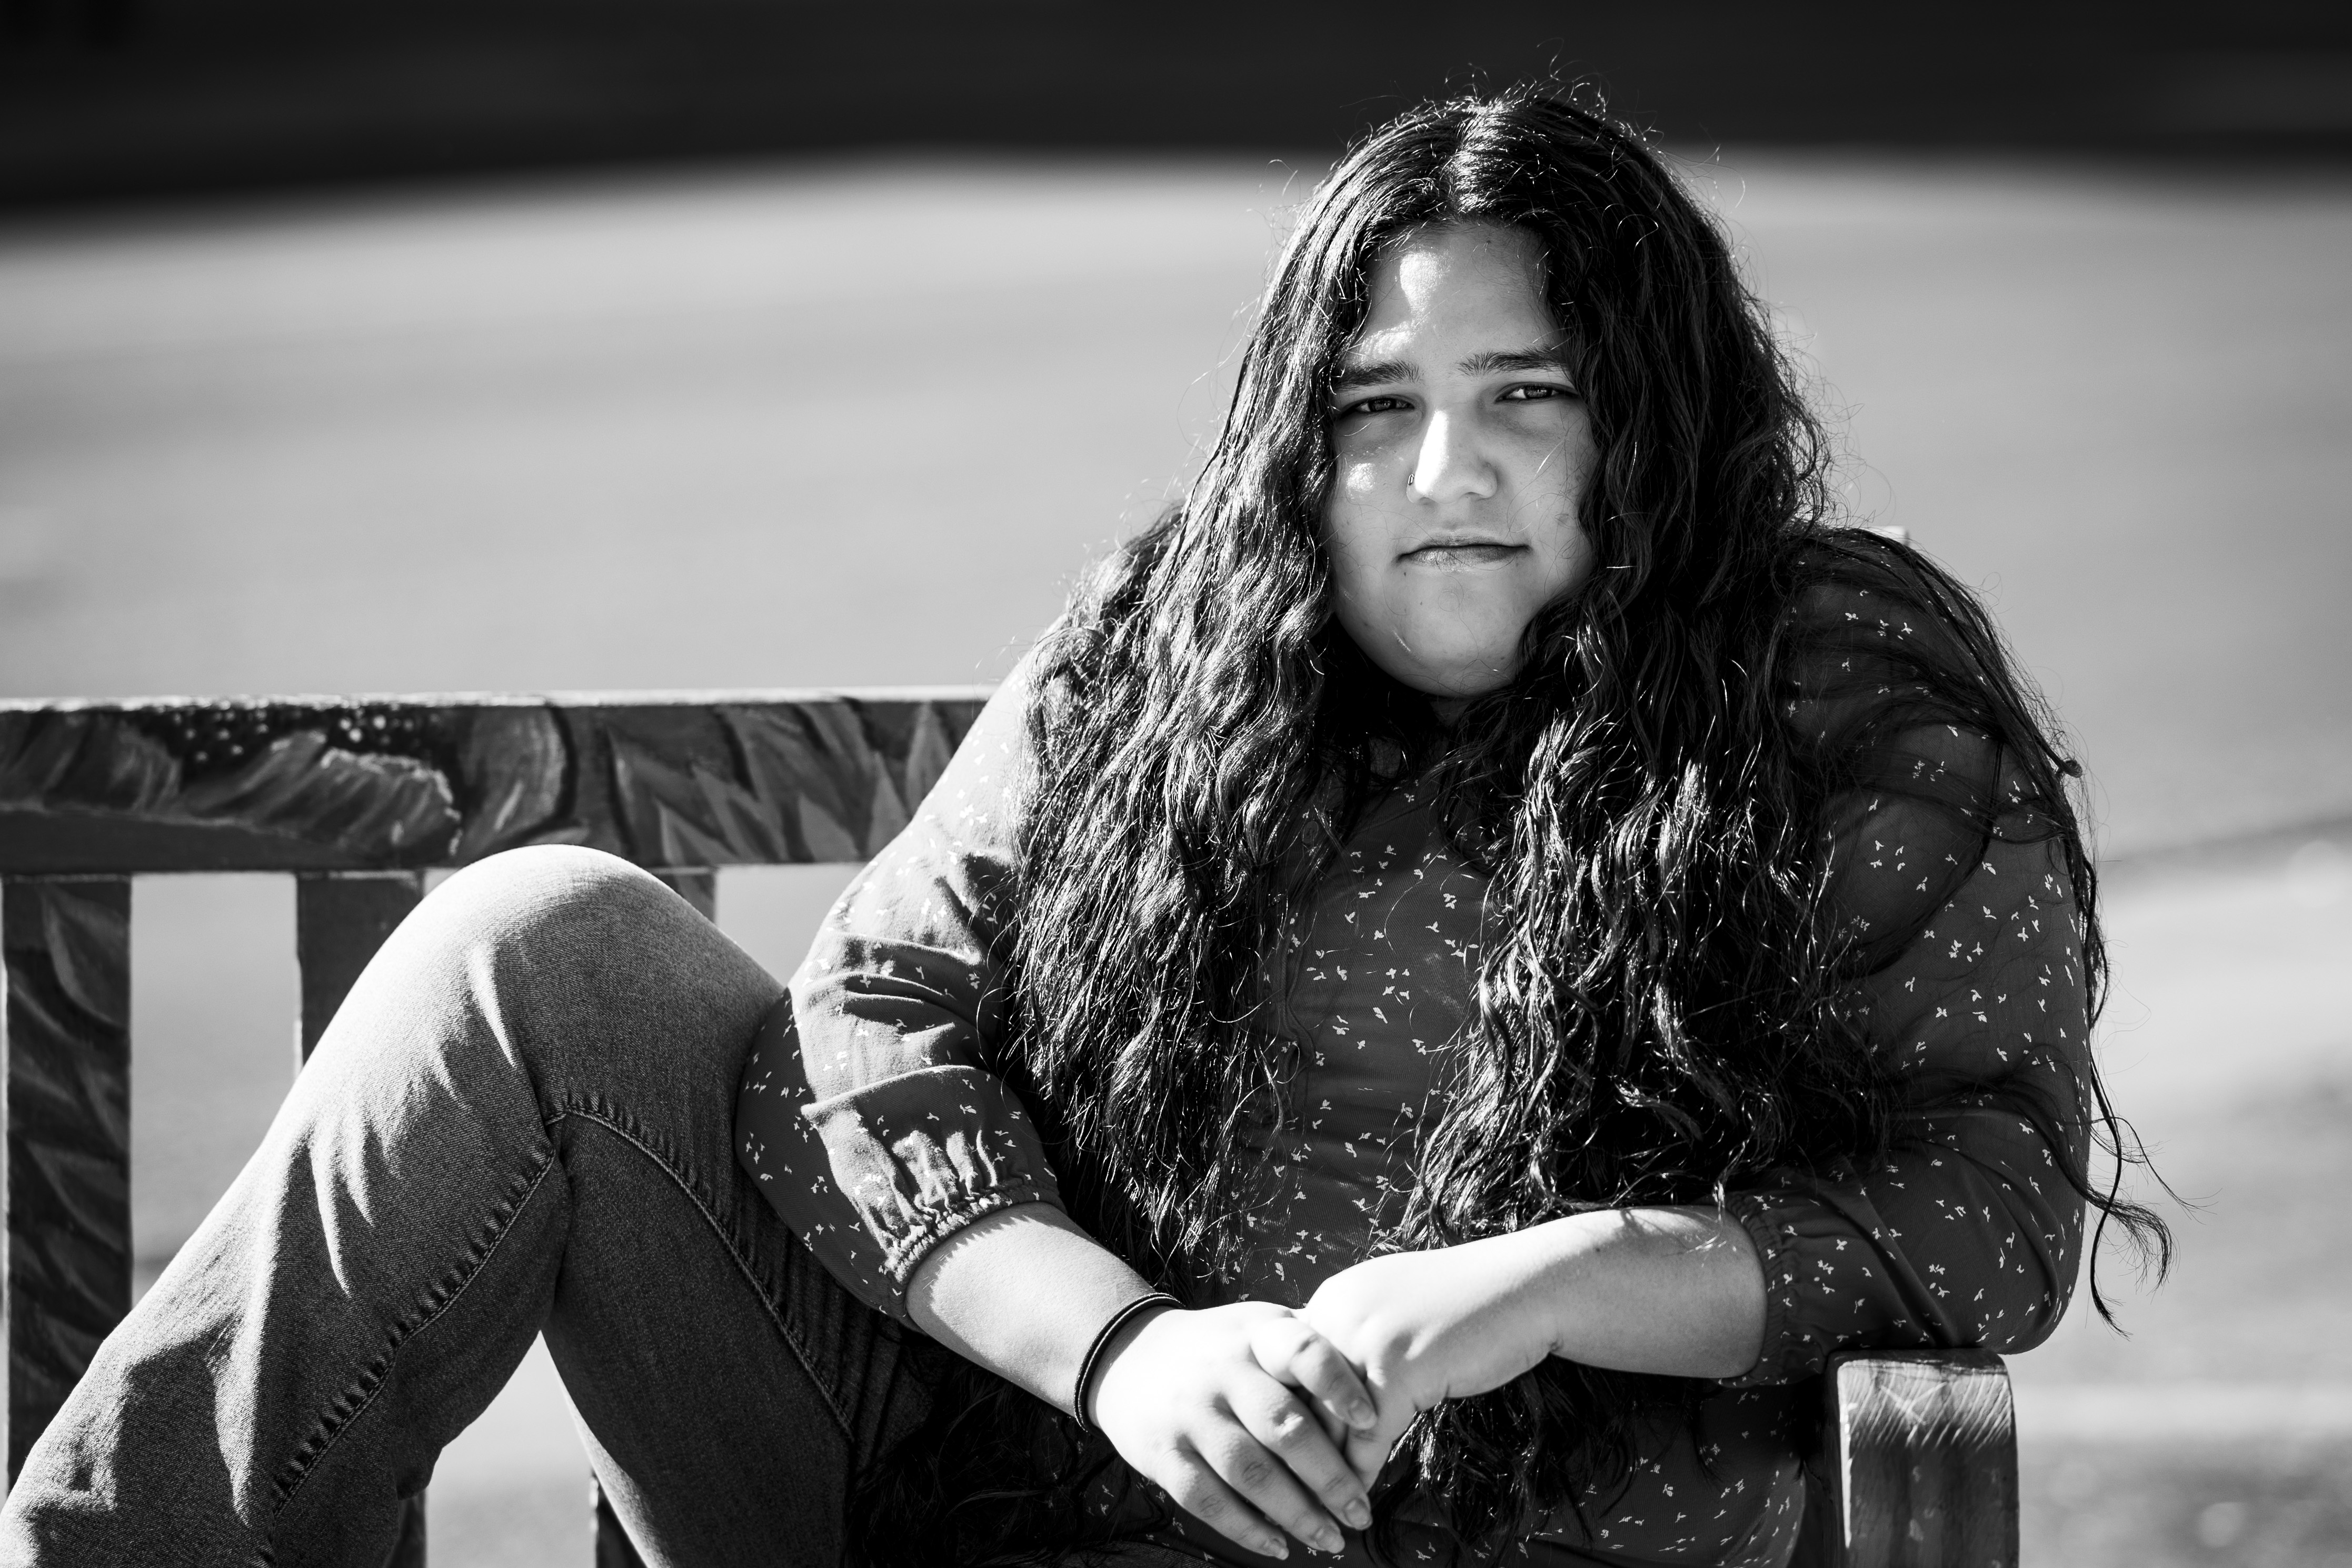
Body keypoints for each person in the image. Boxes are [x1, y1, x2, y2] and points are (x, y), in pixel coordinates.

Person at [0, 88, 2159, 1568]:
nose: (1444, 473)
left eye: (1530, 392)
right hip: (986, 1479)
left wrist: (1545, 1279)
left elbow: (1977, 1204)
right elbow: (867, 1022)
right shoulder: (1179, 643)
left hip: (1551, 1520)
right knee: (531, 946)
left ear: (1657, 415)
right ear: (1298, 445)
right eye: (1374, 408)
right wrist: (1124, 1350)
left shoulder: (1828, 684)